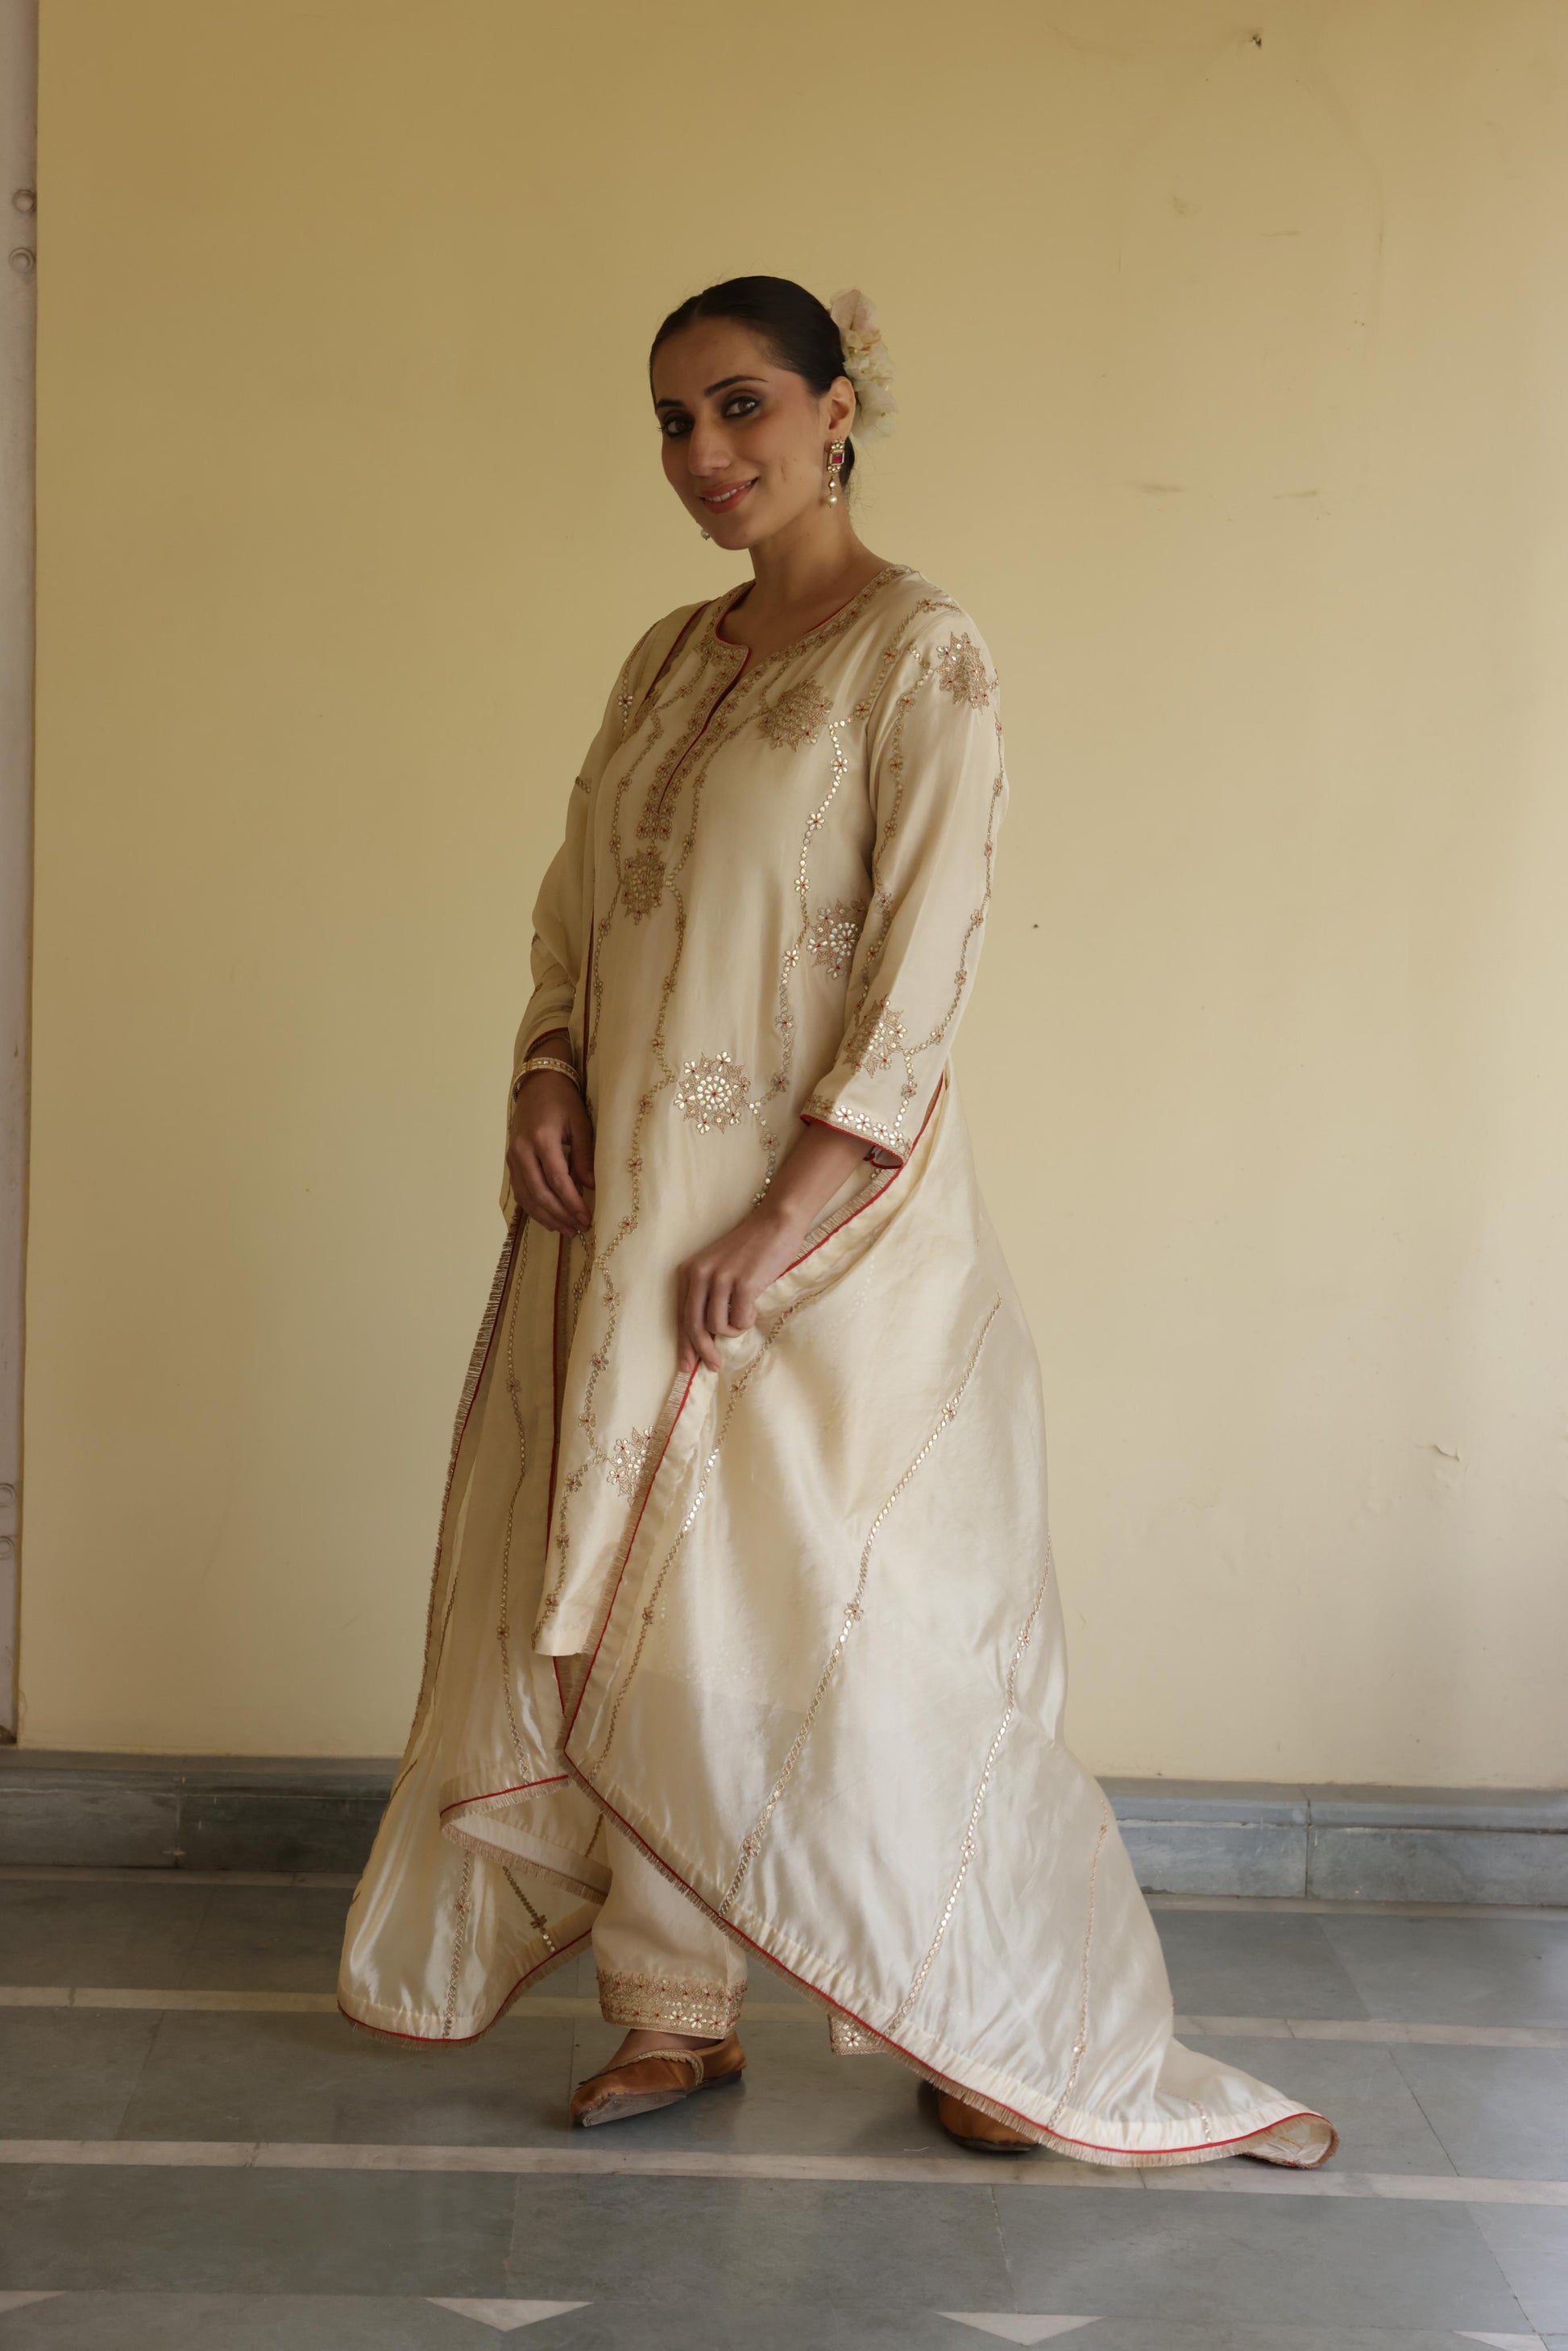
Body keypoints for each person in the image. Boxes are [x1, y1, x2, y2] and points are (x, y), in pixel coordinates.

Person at [337, 275, 1338, 2169]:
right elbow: (575, 906)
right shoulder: (664, 660)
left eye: (742, 406)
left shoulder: (917, 650)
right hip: (633, 1228)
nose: (704, 454)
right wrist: (542, 1071)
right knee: (662, 1609)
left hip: (832, 1234)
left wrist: (783, 1216)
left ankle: (974, 2000)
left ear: (836, 409)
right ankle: (671, 2005)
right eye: (673, 421)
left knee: (878, 1620)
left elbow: (924, 962)